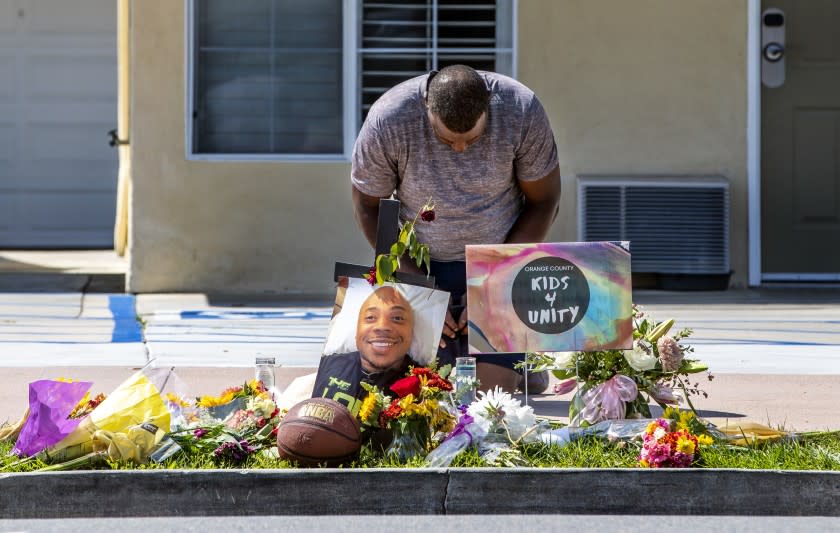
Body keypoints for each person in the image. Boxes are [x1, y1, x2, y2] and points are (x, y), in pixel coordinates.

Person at [351, 64, 561, 394]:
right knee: (426, 392)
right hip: (422, 265)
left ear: (489, 106)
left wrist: (494, 282)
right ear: (426, 110)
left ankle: (519, 366)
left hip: (498, 265)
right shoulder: (390, 119)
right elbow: (369, 207)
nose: (461, 148)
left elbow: (545, 201)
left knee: (486, 402)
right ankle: (512, 361)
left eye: (472, 138)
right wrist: (419, 289)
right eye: (447, 139)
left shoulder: (521, 110)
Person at [313, 285, 420, 417]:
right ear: (356, 331)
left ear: (412, 331)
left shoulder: (427, 385)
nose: (382, 327)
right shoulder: (328, 364)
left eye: (397, 318)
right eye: (370, 317)